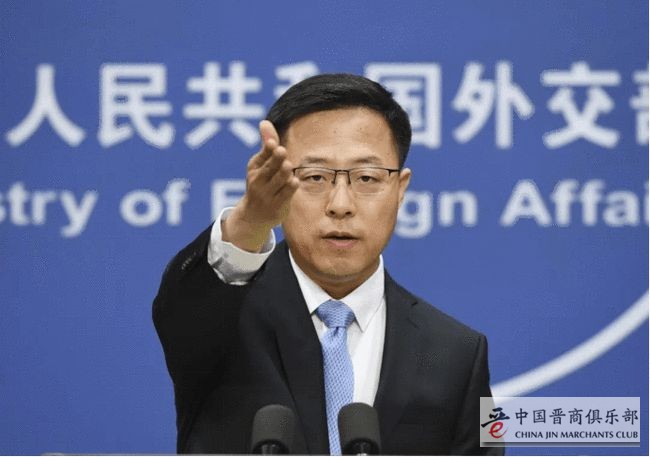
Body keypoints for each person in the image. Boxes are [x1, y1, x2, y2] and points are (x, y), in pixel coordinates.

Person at [153, 74, 502, 455]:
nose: (340, 204)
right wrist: (250, 222)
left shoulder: (458, 353)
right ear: (279, 182)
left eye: (366, 177)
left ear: (400, 189)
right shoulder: (223, 318)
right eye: (315, 177)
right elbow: (180, 311)